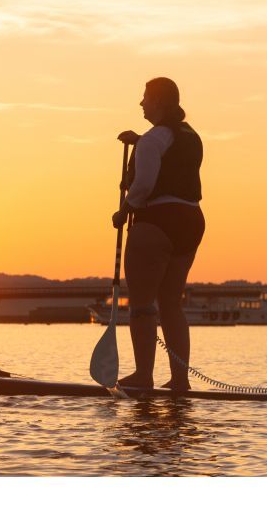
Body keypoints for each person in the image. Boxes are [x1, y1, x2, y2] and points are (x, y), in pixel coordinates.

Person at [111, 77, 205, 391]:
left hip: (157, 222)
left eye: (146, 98)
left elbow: (145, 184)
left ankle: (143, 375)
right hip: (191, 222)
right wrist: (141, 142)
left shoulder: (153, 139)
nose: (141, 103)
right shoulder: (189, 136)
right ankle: (180, 381)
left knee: (141, 303)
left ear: (160, 103)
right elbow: (169, 156)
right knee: (170, 302)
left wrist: (125, 210)